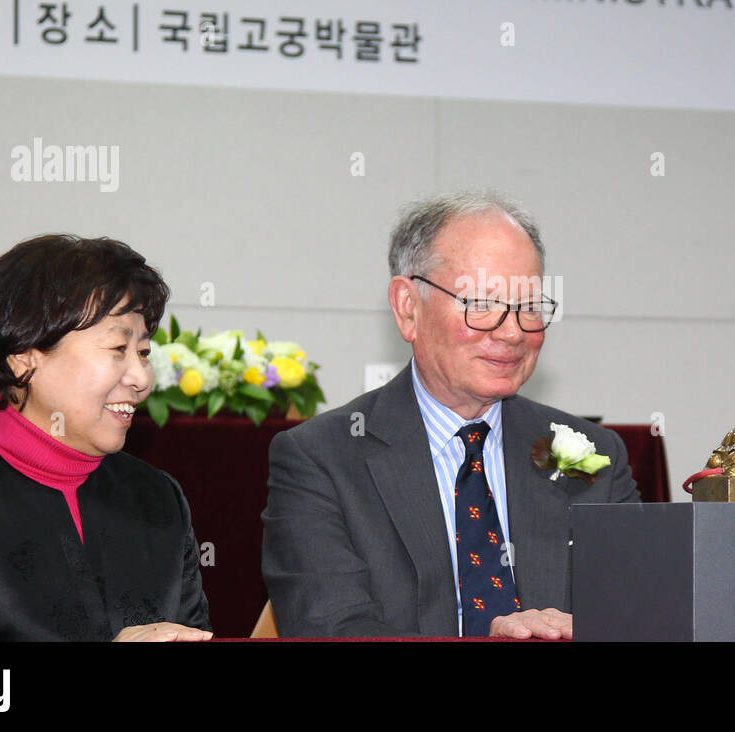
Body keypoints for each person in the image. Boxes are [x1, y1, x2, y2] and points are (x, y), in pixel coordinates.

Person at [262, 190, 641, 638]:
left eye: (529, 306)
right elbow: (331, 630)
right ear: (408, 309)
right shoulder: (320, 458)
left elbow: (639, 615)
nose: (513, 332)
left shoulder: (592, 455)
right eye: (482, 304)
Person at [0, 235, 212, 642]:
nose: (141, 378)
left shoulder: (158, 497)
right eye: (118, 348)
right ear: (24, 357)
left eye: (145, 352)